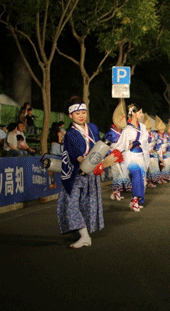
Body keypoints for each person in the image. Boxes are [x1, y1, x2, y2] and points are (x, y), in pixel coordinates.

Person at [57, 96, 104, 248]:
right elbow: (74, 153)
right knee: (69, 202)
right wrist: (83, 160)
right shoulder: (70, 133)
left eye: (83, 112)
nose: (81, 115)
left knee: (87, 203)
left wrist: (102, 159)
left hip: (92, 172)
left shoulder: (93, 128)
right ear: (70, 115)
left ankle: (81, 232)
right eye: (78, 113)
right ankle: (83, 235)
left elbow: (99, 145)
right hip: (75, 173)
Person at [112, 103, 150, 212]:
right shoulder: (127, 128)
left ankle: (137, 200)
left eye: (141, 112)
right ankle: (134, 200)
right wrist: (127, 146)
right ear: (133, 113)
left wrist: (134, 143)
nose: (141, 114)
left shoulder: (142, 127)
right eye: (139, 112)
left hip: (140, 156)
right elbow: (122, 143)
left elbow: (144, 140)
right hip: (130, 156)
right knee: (137, 173)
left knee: (142, 180)